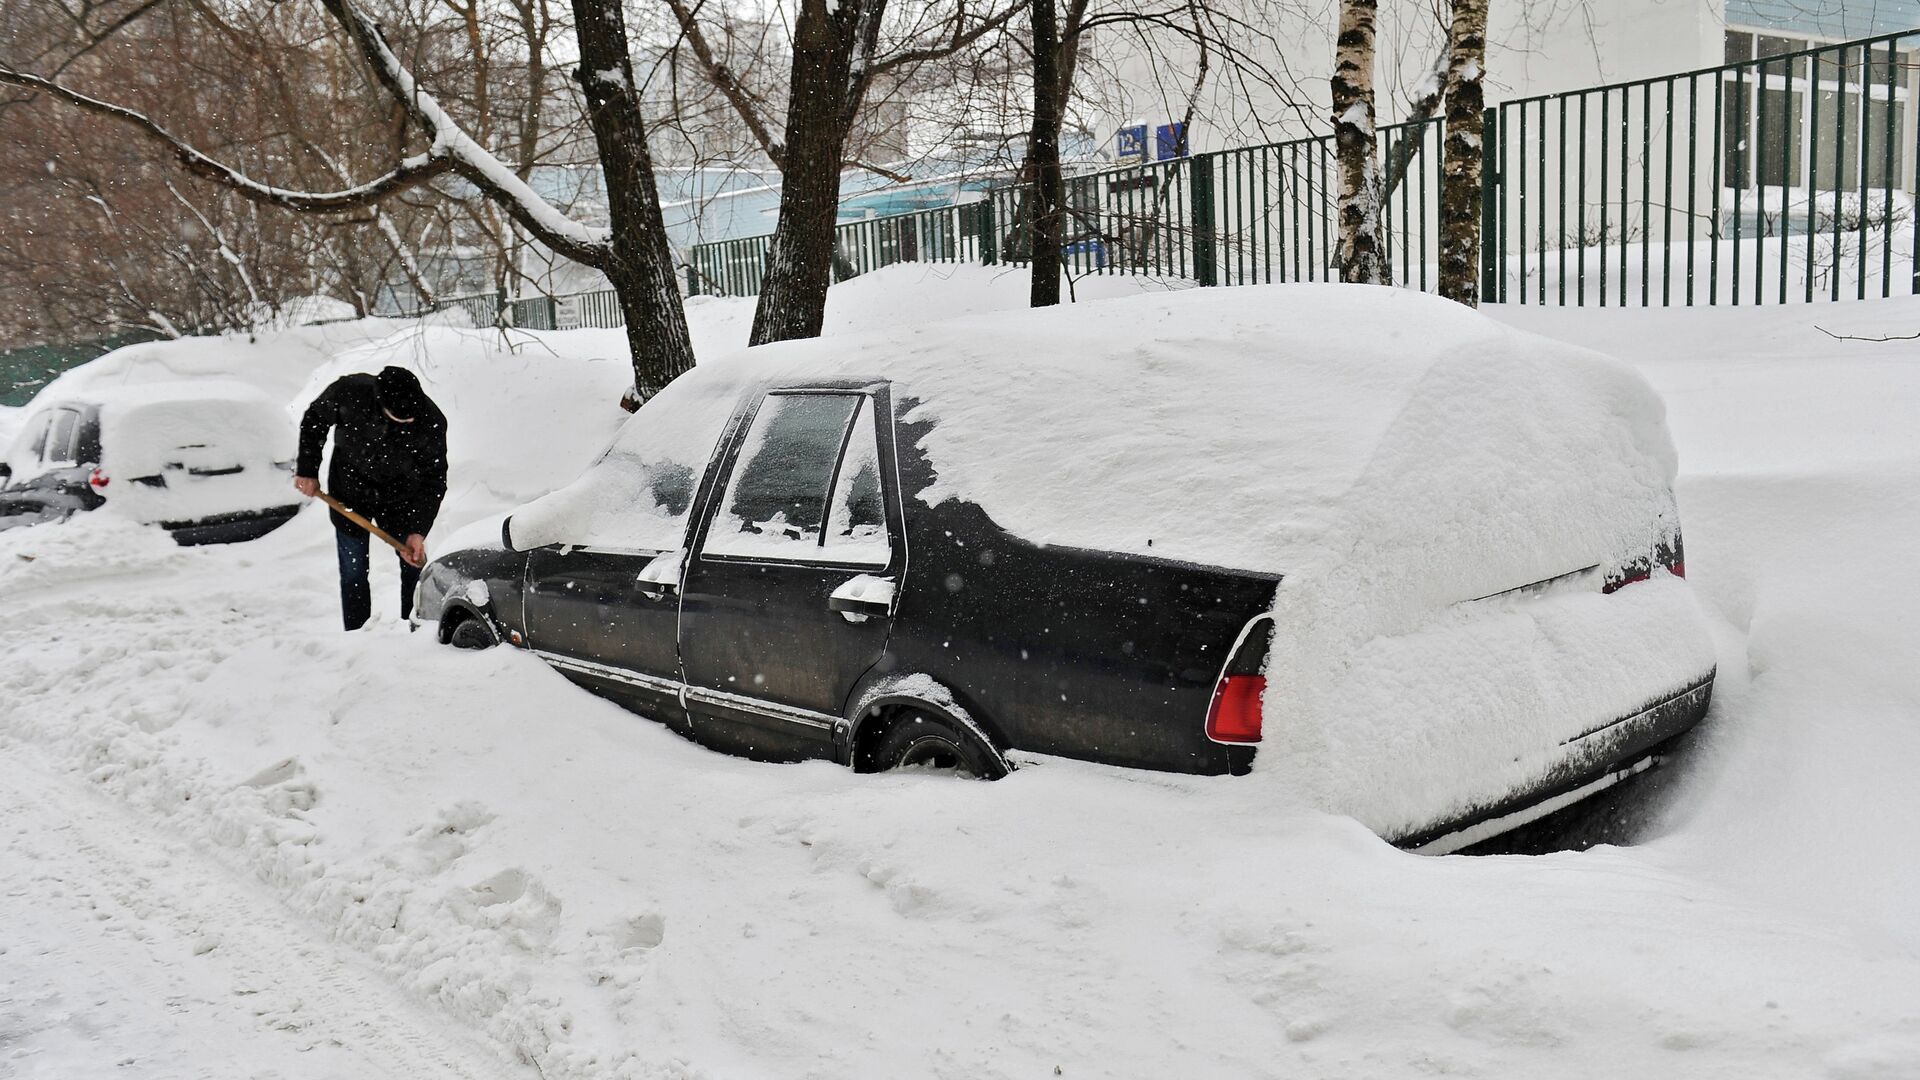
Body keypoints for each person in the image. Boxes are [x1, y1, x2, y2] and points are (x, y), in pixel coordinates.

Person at [295, 366, 448, 630]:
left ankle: (413, 632)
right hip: (349, 493)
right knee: (353, 573)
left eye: (410, 419)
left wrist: (417, 530)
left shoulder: (430, 420)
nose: (408, 424)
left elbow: (434, 480)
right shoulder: (350, 392)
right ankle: (357, 636)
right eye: (400, 420)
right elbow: (314, 420)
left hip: (401, 499)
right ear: (381, 404)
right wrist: (308, 469)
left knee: (414, 566)